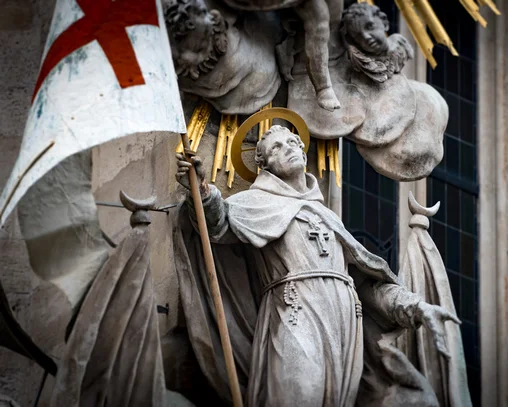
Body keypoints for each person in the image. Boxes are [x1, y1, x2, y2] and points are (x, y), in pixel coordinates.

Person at [174, 125, 460, 406]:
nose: (289, 148)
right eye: (277, 147)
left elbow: (367, 285)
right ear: (264, 164)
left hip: (343, 327)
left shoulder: (328, 216)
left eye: (293, 142)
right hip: (295, 313)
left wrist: (414, 306)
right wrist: (202, 189)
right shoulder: (256, 203)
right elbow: (218, 224)